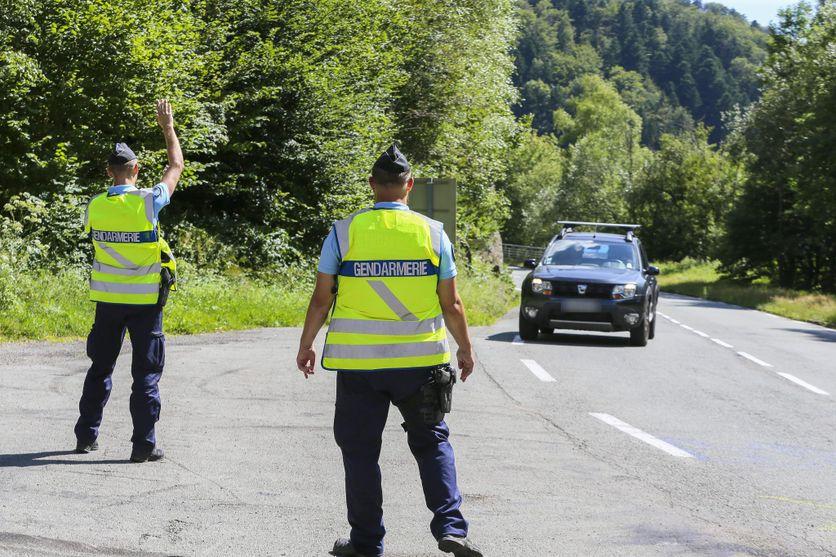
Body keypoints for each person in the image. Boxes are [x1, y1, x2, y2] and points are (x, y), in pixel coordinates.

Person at [296, 145, 483, 557]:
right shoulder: (433, 233)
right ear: (409, 186)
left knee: (360, 453)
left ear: (371, 186)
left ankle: (366, 541)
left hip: (360, 367)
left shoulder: (344, 232)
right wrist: (465, 349)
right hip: (421, 365)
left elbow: (321, 298)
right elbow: (451, 303)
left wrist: (307, 344)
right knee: (433, 443)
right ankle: (451, 527)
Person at [74, 100, 183, 463]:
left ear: (109, 172)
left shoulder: (95, 205)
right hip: (145, 303)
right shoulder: (149, 201)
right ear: (136, 169)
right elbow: (176, 166)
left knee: (100, 368)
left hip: (108, 302)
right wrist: (167, 127)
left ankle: (86, 436)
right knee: (146, 375)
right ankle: (143, 445)